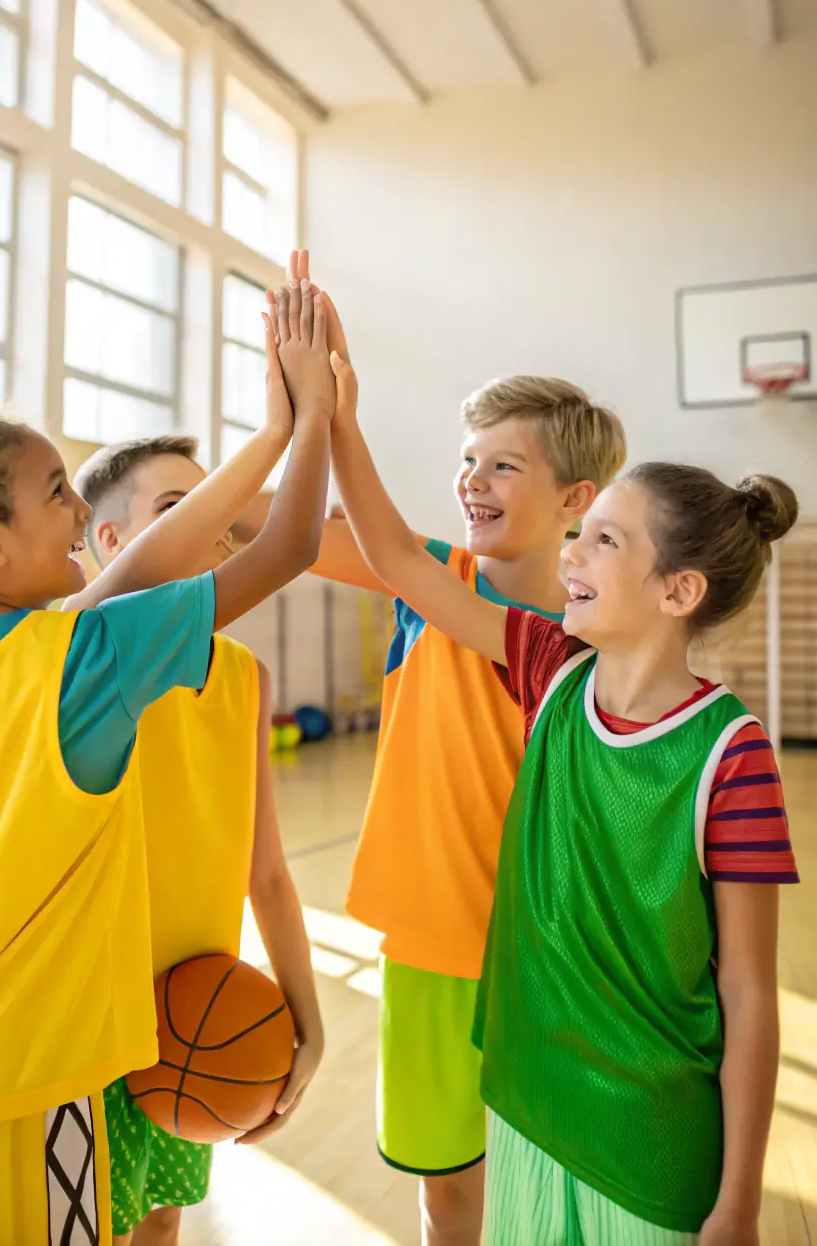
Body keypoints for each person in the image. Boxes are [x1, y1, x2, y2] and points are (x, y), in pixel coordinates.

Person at [0, 290, 336, 1246]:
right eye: (56, 492)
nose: (80, 508)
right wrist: (310, 417)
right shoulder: (86, 661)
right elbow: (287, 544)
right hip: (30, 1092)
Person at [326, 341, 799, 1245]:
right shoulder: (547, 667)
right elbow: (390, 552)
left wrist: (738, 1202)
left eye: (603, 538)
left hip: (650, 1125)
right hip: (531, 1089)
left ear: (679, 589)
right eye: (582, 536)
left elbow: (747, 987)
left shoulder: (728, 754)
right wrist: (332, 413)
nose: (573, 552)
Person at [236, 253, 627, 1245]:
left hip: (547, 957)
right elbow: (264, 526)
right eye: (466, 459)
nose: (471, 478)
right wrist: (292, 405)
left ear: (576, 498)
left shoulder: (580, 635)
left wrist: (335, 411)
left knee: (551, 1188)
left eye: (503, 464)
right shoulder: (433, 576)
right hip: (426, 950)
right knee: (445, 1191)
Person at [75, 427, 324, 1246]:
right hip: (80, 1026)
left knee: (161, 1219)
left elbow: (270, 873)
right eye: (183, 507)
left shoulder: (242, 674)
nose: (216, 529)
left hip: (193, 1018)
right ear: (109, 541)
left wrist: (306, 1016)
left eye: (222, 515)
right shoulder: (69, 656)